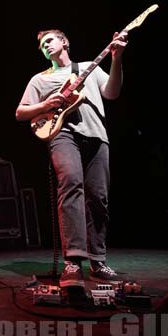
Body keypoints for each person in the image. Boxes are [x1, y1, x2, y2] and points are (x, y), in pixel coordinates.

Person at [16, 28, 127, 289]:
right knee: (71, 185)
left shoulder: (89, 67)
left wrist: (117, 58)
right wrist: (44, 106)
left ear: (64, 42)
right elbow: (21, 112)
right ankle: (74, 262)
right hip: (62, 135)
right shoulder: (40, 79)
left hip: (97, 136)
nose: (45, 46)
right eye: (42, 44)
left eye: (49, 40)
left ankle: (98, 262)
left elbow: (111, 93)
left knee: (99, 197)